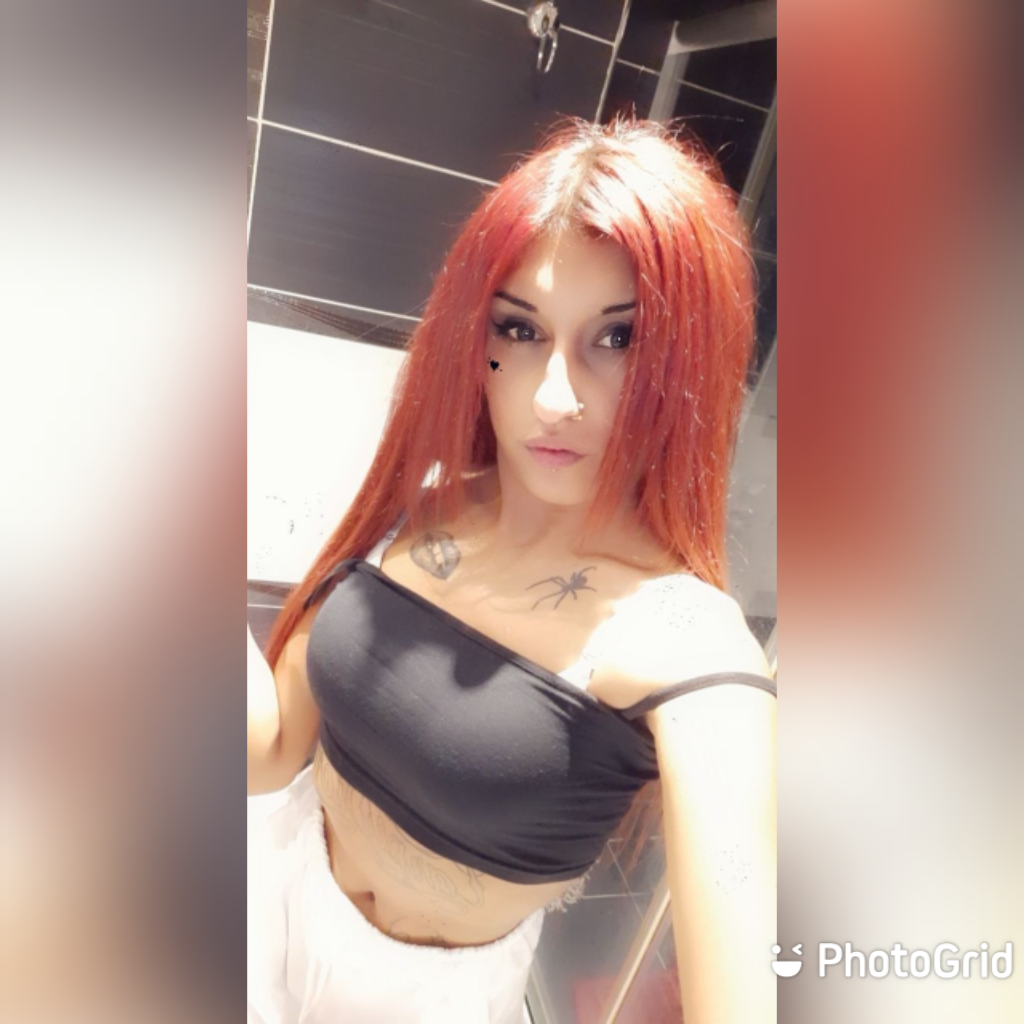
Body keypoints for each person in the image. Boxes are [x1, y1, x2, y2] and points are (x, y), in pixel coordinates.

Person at [247, 116, 777, 1024]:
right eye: (519, 329)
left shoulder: (688, 650)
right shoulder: (421, 508)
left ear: (686, 358)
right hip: (268, 890)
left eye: (618, 339)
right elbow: (272, 752)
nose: (554, 397)